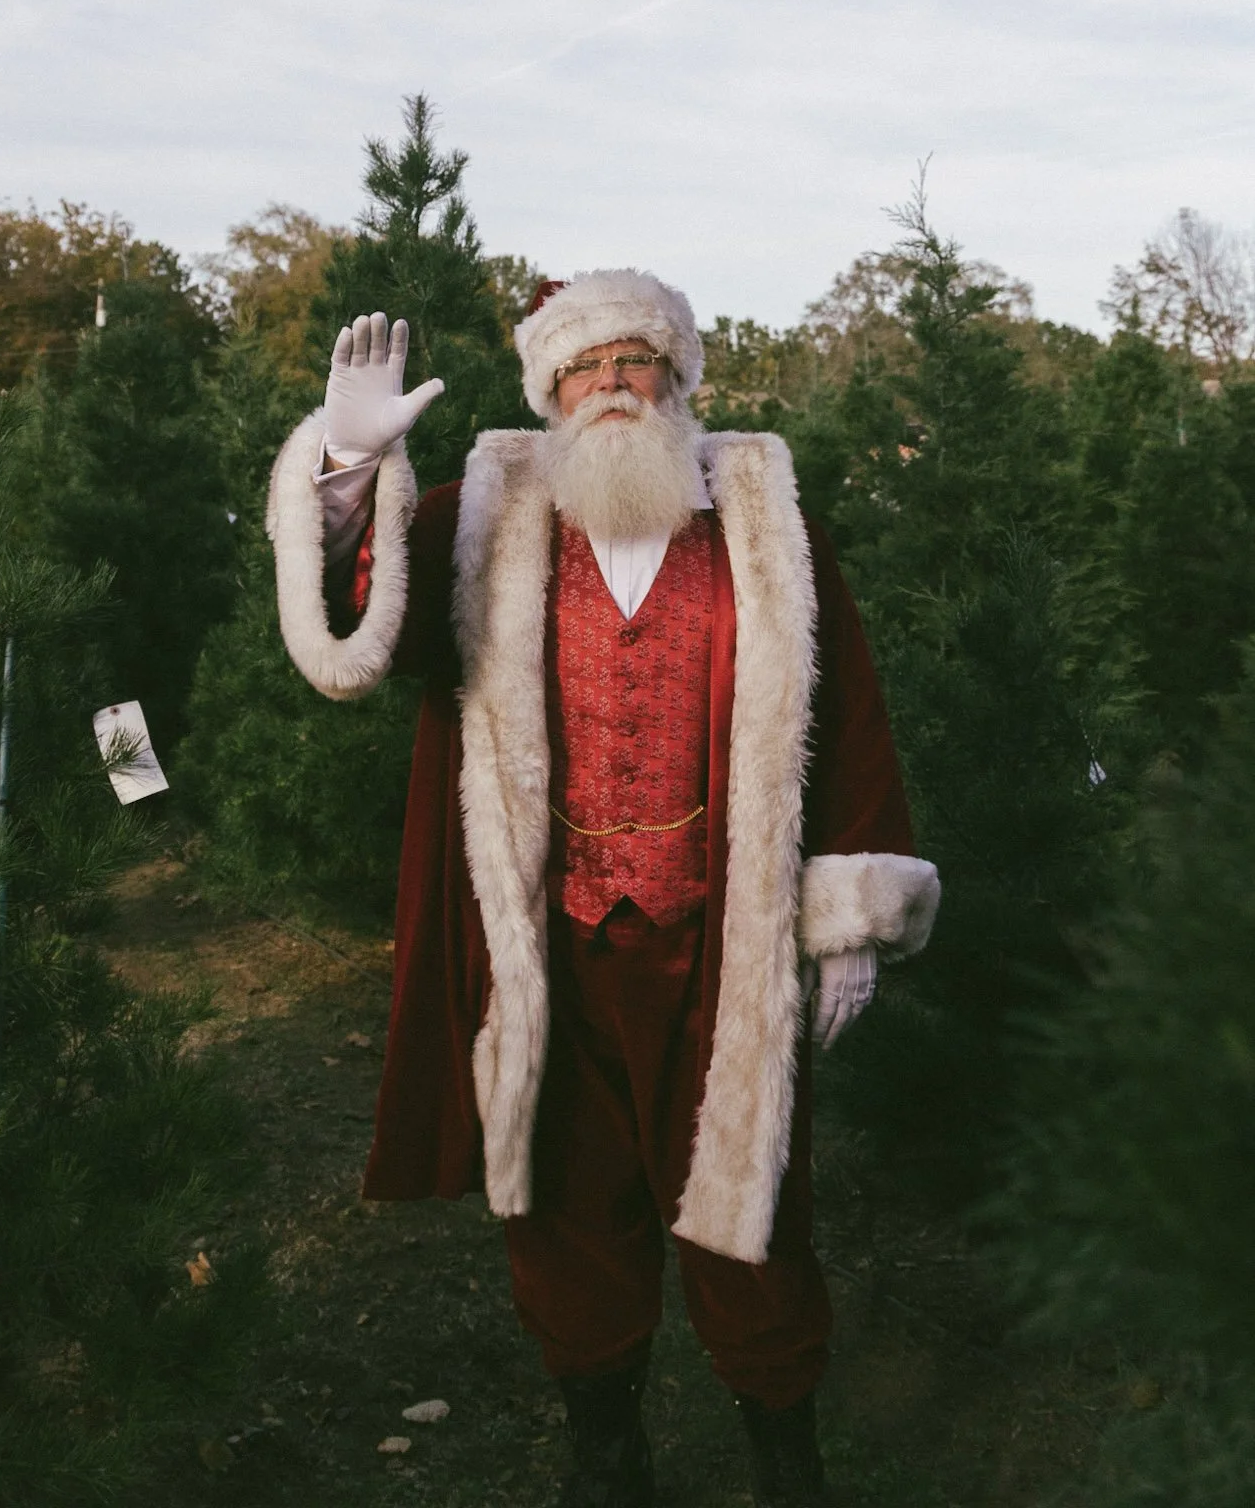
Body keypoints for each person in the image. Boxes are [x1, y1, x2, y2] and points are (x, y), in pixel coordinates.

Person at [267, 270, 940, 1507]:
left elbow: (844, 713)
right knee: (568, 1205)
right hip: (553, 941)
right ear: (549, 389)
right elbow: (367, 642)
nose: (612, 385)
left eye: (636, 361)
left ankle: (786, 1456)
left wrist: (848, 915)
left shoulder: (759, 516)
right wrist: (349, 476)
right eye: (584, 366)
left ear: (680, 384)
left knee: (753, 1202)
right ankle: (605, 1450)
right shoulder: (487, 510)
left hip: (719, 938)